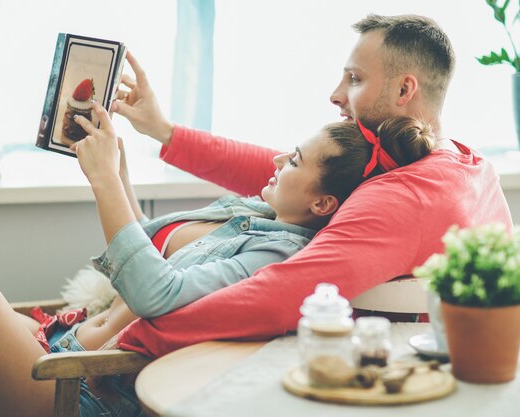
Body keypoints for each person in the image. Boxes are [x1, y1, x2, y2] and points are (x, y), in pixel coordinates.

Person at [0, 108, 433, 416]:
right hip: (55, 342)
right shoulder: (251, 214)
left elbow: (157, 293)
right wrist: (116, 167)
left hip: (70, 388)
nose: (274, 160)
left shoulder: (277, 255)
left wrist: (105, 179)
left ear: (323, 204)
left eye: (293, 160)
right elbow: (147, 254)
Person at [105, 13, 512, 358]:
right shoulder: (462, 165)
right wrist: (164, 131)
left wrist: (134, 340)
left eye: (354, 78)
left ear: (405, 89)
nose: (336, 95)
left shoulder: (403, 196)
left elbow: (283, 295)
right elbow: (285, 171)